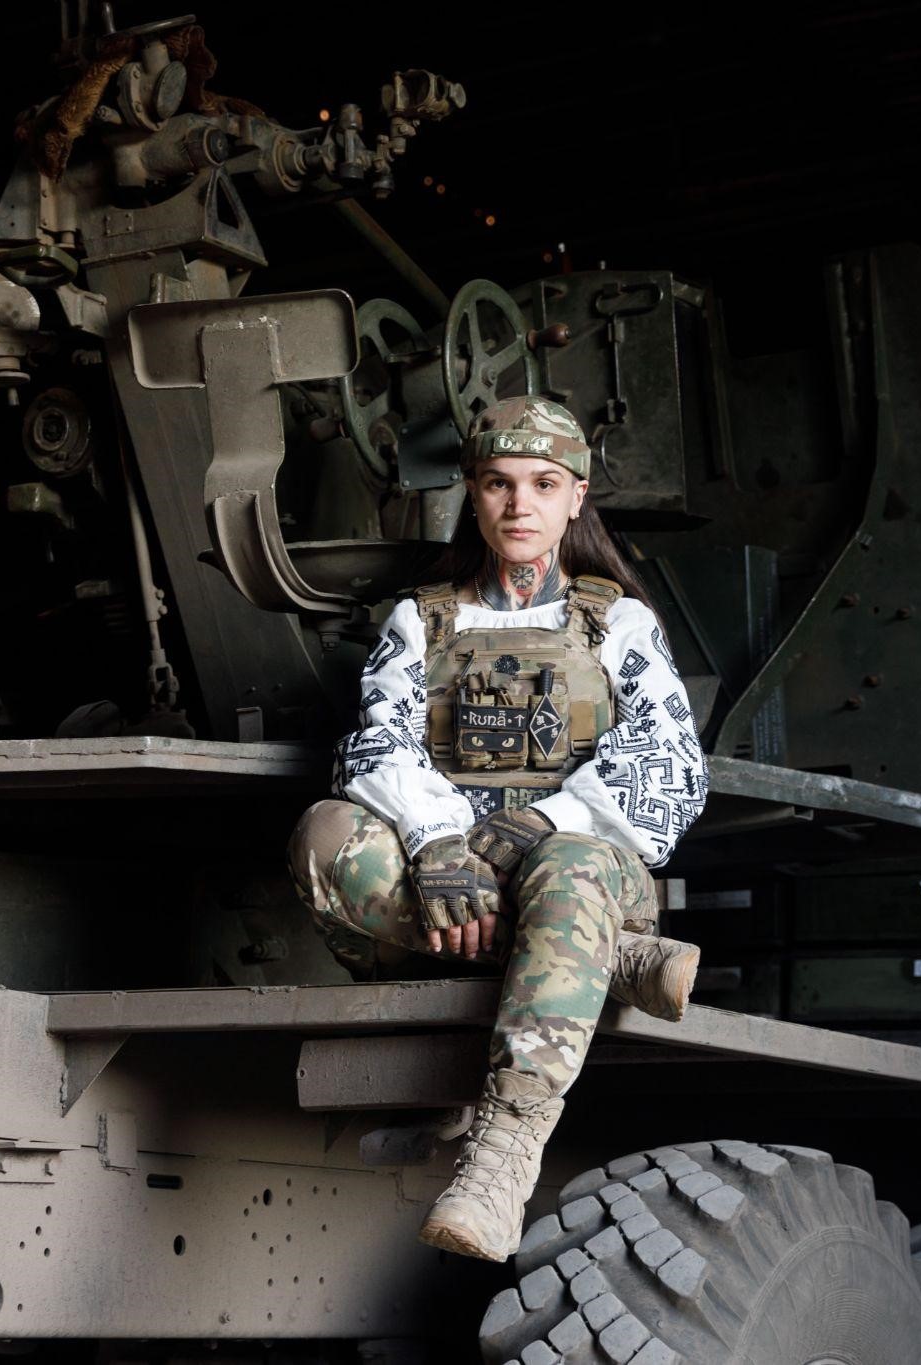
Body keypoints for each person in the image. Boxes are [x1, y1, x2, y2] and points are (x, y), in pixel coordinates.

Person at [287, 396, 710, 1262]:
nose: (520, 504)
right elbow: (377, 745)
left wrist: (546, 820)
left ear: (577, 496)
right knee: (326, 837)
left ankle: (502, 1156)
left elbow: (672, 764)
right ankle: (608, 959)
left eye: (543, 484)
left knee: (569, 866)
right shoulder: (421, 621)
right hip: (452, 881)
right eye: (498, 483)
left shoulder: (618, 622)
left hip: (581, 867)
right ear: (472, 493)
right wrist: (439, 841)